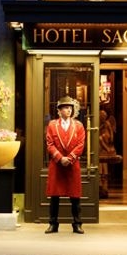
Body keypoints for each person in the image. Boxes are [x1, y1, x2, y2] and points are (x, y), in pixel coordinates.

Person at [45, 95, 85, 234]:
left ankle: (77, 224)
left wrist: (70, 158)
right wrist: (60, 158)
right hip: (57, 165)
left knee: (75, 197)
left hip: (72, 165)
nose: (68, 110)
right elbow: (49, 144)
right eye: (65, 108)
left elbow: (81, 144)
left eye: (70, 108)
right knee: (54, 196)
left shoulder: (79, 126)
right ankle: (53, 224)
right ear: (59, 110)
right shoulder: (52, 125)